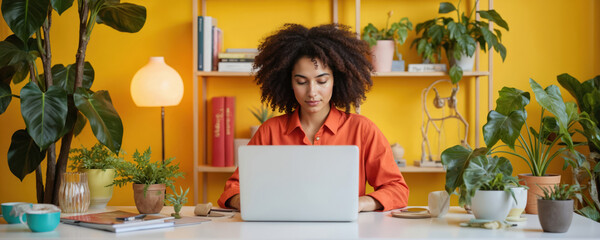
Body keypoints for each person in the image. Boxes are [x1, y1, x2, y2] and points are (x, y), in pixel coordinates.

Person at [218, 23, 409, 212]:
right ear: (289, 82)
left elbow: (397, 190)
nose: (312, 92)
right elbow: (233, 189)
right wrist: (245, 202)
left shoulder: (362, 130)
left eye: (322, 81)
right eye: (301, 81)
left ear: (337, 80)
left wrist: (360, 204)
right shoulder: (270, 131)